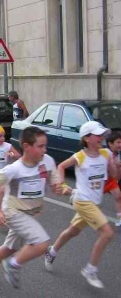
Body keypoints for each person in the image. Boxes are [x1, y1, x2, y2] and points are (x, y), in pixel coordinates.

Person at [0, 126, 62, 289]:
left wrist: (59, 187)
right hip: (13, 212)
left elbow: (54, 182)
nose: (44, 150)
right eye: (40, 146)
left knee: (12, 247)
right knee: (42, 242)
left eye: (45, 146)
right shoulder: (15, 169)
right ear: (26, 147)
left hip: (30, 213)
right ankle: (13, 265)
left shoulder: (47, 161)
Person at [44, 121, 117, 289]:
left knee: (73, 231)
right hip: (82, 200)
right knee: (107, 233)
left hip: (93, 202)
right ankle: (90, 270)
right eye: (98, 134)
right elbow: (61, 166)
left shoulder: (106, 154)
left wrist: (113, 164)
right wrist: (61, 184)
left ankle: (52, 251)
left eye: (102, 134)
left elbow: (114, 176)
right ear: (87, 138)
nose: (101, 137)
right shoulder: (80, 156)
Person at [103, 131, 121, 226]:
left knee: (118, 196)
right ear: (110, 144)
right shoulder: (105, 153)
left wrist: (118, 167)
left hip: (110, 180)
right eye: (118, 142)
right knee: (92, 201)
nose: (120, 145)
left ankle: (119, 218)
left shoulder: (118, 156)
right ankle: (76, 194)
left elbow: (117, 177)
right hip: (100, 181)